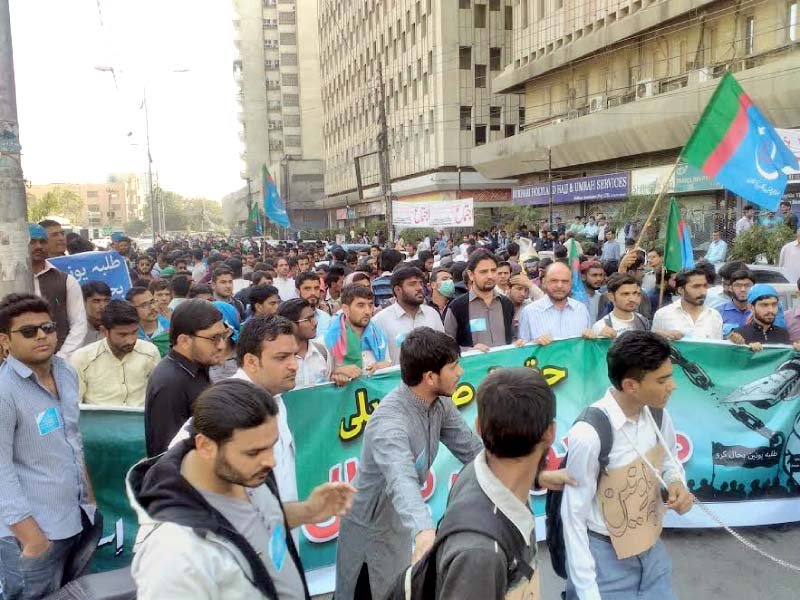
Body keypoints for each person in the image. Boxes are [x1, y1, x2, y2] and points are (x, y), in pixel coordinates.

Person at [128, 379, 355, 600]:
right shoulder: (174, 554)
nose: (270, 461)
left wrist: (308, 511)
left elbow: (258, 521)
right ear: (206, 446)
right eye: (254, 452)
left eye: (271, 447)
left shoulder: (246, 472)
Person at [335, 328, 484, 600]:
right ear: (429, 377)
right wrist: (424, 531)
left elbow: (472, 449)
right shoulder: (389, 425)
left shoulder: (439, 403)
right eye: (454, 367)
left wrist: (517, 471)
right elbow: (401, 480)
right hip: (372, 534)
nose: (460, 372)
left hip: (403, 527)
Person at [562, 331, 692, 600]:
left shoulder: (657, 414)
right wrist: (588, 591)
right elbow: (573, 517)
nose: (672, 386)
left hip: (652, 551)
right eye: (663, 380)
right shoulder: (589, 433)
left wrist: (676, 483)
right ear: (631, 385)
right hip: (604, 561)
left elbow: (669, 460)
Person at [434, 368, 569, 599]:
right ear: (551, 433)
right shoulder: (480, 554)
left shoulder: (475, 473)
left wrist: (538, 478)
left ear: (478, 427)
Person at [0, 293, 99, 599]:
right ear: (5, 341)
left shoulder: (66, 372)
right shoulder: (5, 392)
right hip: (32, 535)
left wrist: (89, 498)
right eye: (28, 331)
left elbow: (72, 438)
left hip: (75, 518)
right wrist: (32, 539)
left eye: (47, 327)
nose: (41, 335)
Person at [144, 300, 226, 457]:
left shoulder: (197, 367)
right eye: (214, 338)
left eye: (223, 336)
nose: (222, 345)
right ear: (184, 341)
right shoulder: (170, 384)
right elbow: (166, 455)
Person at [70, 300, 160, 407]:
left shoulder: (150, 352)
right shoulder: (83, 359)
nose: (130, 340)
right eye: (123, 335)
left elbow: (158, 396)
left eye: (134, 332)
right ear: (104, 331)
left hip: (140, 421)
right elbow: (74, 405)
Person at [28, 224, 87, 358]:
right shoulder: (7, 282)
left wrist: (62, 357)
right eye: (32, 242)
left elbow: (79, 323)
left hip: (57, 358)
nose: (38, 246)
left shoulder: (66, 281)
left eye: (42, 241)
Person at [444, 249, 515, 352]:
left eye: (493, 270)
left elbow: (513, 337)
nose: (490, 276)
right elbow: (447, 347)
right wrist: (469, 350)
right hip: (473, 366)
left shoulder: (506, 304)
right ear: (471, 275)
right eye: (484, 272)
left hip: (505, 365)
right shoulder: (457, 307)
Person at [372, 266, 444, 365]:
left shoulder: (432, 314)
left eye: (421, 283)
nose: (419, 288)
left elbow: (443, 349)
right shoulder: (380, 320)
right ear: (398, 290)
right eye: (412, 284)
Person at [277, 298, 355, 388]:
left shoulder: (323, 352)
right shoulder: (278, 359)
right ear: (290, 324)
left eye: (313, 317)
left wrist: (337, 378)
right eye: (308, 319)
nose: (315, 323)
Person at [519, 262, 592, 344]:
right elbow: (524, 351)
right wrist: (534, 344)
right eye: (554, 280)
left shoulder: (581, 309)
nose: (559, 285)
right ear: (544, 282)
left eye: (565, 281)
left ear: (571, 283)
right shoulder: (529, 312)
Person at [325, 284, 391, 374]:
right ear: (345, 309)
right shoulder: (329, 340)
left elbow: (388, 366)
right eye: (361, 305)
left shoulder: (379, 337)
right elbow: (321, 380)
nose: (368, 311)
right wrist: (336, 373)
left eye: (370, 305)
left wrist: (386, 367)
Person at [652, 267, 723, 340]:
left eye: (705, 286)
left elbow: (717, 348)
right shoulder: (663, 315)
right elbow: (653, 346)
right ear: (680, 290)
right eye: (696, 287)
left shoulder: (715, 316)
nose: (703, 292)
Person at [729, 284, 800, 350]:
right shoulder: (740, 335)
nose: (771, 310)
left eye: (774, 305)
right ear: (751, 307)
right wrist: (747, 350)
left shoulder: (783, 334)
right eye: (764, 305)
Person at [589, 273, 650, 338]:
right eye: (626, 294)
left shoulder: (643, 320)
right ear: (611, 297)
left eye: (635, 293)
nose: (632, 299)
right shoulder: (601, 327)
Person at [715, 269, 754, 337]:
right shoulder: (718, 313)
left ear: (754, 287)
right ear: (730, 288)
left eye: (747, 285)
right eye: (738, 285)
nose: (743, 289)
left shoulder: (761, 312)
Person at [295, 272, 332, 336]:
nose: (313, 293)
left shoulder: (326, 318)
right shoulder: (290, 319)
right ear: (298, 291)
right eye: (307, 289)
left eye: (316, 288)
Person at [80, 281, 111, 348]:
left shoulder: (116, 326)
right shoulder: (75, 330)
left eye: (106, 300)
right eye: (96, 301)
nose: (102, 306)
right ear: (84, 302)